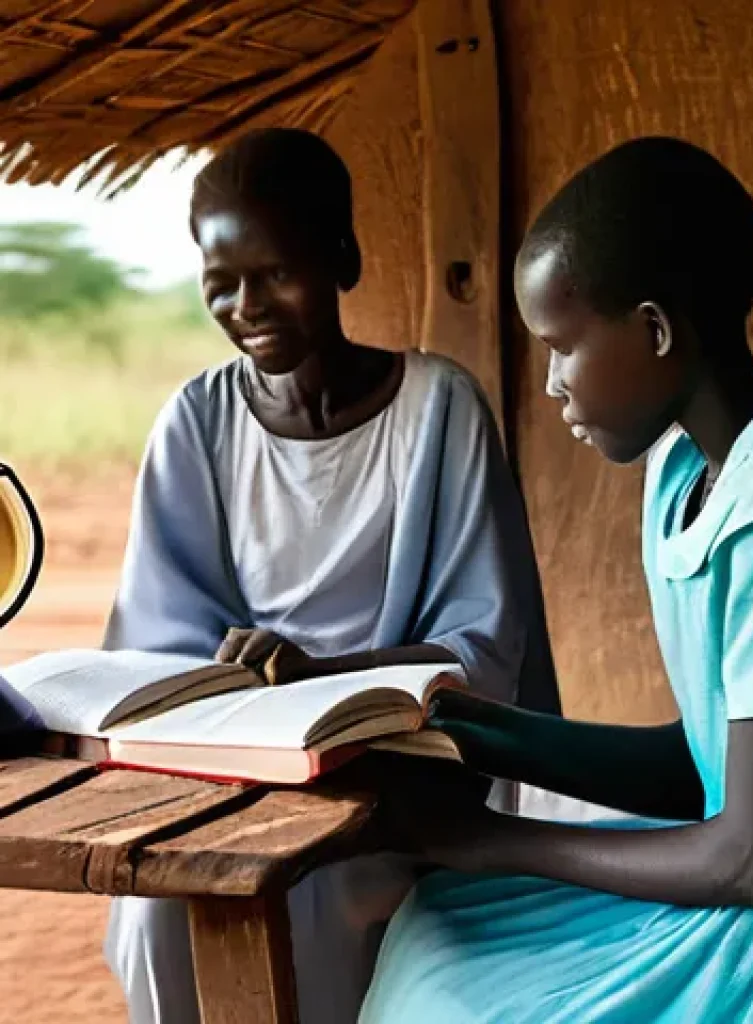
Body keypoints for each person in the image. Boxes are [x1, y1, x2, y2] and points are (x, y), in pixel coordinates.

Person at [359, 137, 753, 1022]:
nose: (551, 384)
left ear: (656, 331)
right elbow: (699, 762)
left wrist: (487, 841)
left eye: (563, 346)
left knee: (467, 1000)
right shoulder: (684, 473)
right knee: (439, 931)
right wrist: (472, 730)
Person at [101, 127, 558, 1024]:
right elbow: (158, 642)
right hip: (231, 767)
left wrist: (324, 678)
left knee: (332, 882)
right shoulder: (197, 423)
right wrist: (249, 698)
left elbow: (482, 645)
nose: (247, 306)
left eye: (276, 273)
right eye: (221, 283)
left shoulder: (438, 410)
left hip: (398, 764)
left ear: (341, 259)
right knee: (159, 905)